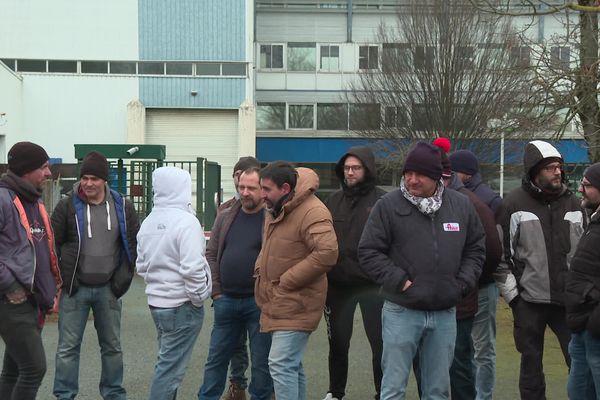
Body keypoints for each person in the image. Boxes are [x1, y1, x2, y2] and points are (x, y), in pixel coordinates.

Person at [358, 142, 485, 400]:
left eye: (420, 175)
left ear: (437, 176)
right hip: (401, 311)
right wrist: (401, 282)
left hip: (444, 313)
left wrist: (461, 284)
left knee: (438, 391)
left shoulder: (461, 206)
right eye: (408, 173)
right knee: (393, 389)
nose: (412, 180)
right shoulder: (388, 205)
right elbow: (368, 251)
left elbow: (476, 249)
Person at [496, 140, 584, 400]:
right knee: (531, 368)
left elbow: (587, 254)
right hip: (529, 302)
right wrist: (514, 298)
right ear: (535, 172)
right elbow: (500, 258)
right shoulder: (512, 204)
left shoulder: (574, 205)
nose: (558, 172)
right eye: (550, 168)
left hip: (569, 301)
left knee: (579, 363)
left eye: (559, 167)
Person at [52, 151, 140, 400]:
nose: (88, 183)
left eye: (94, 178)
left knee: (112, 348)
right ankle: (64, 395)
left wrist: (120, 281)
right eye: (85, 178)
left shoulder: (122, 206)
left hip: (109, 289)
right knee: (67, 348)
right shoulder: (67, 205)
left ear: (105, 179)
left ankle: (113, 393)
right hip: (75, 289)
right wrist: (64, 278)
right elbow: (53, 244)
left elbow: (132, 245)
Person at [255, 160, 338, 400]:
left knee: (280, 364)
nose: (262, 195)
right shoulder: (276, 208)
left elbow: (328, 253)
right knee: (291, 364)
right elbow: (271, 246)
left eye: (266, 189)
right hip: (279, 300)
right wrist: (261, 268)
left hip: (298, 301)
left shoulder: (313, 211)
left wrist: (288, 280)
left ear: (285, 189)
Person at [136, 166, 212, 400]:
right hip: (183, 305)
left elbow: (141, 265)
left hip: (158, 304)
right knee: (169, 371)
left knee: (167, 363)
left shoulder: (148, 222)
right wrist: (199, 296)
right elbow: (192, 267)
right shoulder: (186, 222)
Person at [435, 143, 501, 400]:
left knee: (476, 351)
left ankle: (482, 395)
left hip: (477, 288)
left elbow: (493, 250)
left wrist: (470, 280)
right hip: (467, 287)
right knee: (467, 353)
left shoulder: (480, 202)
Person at [199, 167, 272, 400]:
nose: (245, 192)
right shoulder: (226, 215)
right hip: (226, 300)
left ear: (263, 189)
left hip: (258, 302)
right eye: (241, 187)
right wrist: (216, 291)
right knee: (216, 359)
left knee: (262, 362)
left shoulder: (271, 218)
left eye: (251, 188)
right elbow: (210, 254)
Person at [322, 146, 385, 400]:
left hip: (373, 286)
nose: (350, 172)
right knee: (337, 343)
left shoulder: (383, 201)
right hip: (338, 286)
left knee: (380, 344)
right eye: (347, 168)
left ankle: (383, 392)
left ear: (367, 169)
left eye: (356, 168)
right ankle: (335, 392)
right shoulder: (332, 202)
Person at [0, 142, 62, 400]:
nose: (49, 173)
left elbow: (41, 249)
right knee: (34, 369)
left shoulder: (33, 201)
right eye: (44, 167)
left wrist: (49, 291)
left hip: (32, 300)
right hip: (13, 301)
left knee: (13, 371)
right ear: (26, 170)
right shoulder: (3, 200)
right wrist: (10, 286)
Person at [219, 156, 261, 400]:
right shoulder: (225, 209)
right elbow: (216, 250)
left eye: (245, 177)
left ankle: (265, 389)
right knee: (235, 346)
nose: (240, 183)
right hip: (228, 295)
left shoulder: (267, 211)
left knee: (260, 348)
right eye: (237, 176)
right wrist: (217, 290)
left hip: (256, 297)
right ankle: (237, 385)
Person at [565, 162, 600, 399]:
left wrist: (595, 319)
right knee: (577, 388)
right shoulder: (594, 219)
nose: (580, 189)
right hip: (581, 324)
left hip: (593, 325)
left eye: (586, 185)